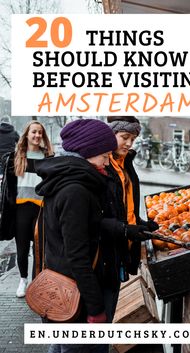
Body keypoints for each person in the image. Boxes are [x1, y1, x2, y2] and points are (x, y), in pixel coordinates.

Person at [34, 118, 119, 353]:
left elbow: (87, 226)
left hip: (65, 291)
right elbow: (77, 255)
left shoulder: (67, 180)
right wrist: (95, 308)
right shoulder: (76, 191)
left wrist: (124, 229)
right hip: (77, 297)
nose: (107, 161)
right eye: (104, 155)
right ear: (86, 152)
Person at [100, 116, 158, 336]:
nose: (128, 144)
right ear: (110, 134)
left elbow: (124, 206)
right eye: (124, 137)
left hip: (121, 247)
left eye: (132, 139)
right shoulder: (104, 166)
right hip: (106, 253)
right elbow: (100, 215)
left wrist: (140, 224)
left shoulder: (126, 163)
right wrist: (126, 229)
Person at [0, 120, 53, 297]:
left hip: (41, 209)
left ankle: (37, 281)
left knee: (39, 249)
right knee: (22, 248)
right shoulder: (16, 156)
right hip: (21, 210)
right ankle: (23, 281)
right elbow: (8, 188)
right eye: (34, 132)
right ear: (27, 135)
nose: (37, 135)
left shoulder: (49, 157)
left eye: (40, 133)